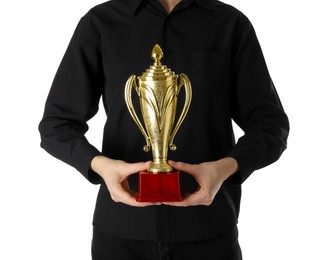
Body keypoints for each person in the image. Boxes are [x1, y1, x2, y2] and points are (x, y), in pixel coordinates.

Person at [39, 0, 289, 259]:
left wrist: (225, 168)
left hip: (209, 230)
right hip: (121, 234)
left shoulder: (230, 23)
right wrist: (100, 166)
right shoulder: (100, 22)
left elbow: (271, 125)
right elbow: (56, 125)